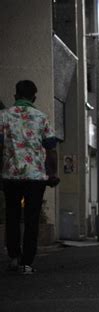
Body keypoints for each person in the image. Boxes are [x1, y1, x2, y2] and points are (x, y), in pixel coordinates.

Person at [1, 80, 59, 274]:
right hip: (35, 176)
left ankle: (14, 257)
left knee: (12, 215)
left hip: (10, 174)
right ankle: (27, 262)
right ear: (34, 97)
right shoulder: (41, 117)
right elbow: (51, 149)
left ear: (15, 96)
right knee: (32, 218)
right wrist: (52, 173)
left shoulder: (4, 116)